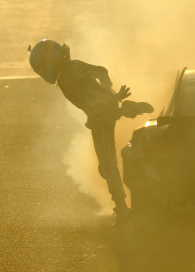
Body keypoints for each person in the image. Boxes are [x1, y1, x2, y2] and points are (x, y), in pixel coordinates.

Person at [28, 39, 153, 225]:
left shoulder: (65, 80)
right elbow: (102, 71)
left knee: (108, 166)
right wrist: (110, 93)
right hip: (103, 112)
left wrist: (111, 99)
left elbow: (89, 100)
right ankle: (123, 109)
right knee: (106, 166)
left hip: (99, 118)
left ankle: (122, 210)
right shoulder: (75, 64)